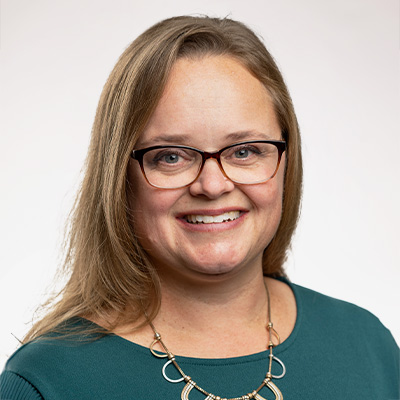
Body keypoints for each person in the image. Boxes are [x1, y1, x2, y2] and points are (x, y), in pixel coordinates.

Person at [0, 15, 398, 400]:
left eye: (245, 151)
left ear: (285, 164)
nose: (212, 185)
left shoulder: (368, 346)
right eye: (171, 156)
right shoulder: (46, 382)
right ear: (119, 176)